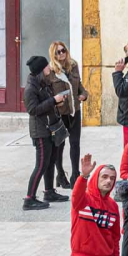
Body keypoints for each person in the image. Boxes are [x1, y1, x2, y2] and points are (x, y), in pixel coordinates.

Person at [67, 154, 121, 256]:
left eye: (112, 178)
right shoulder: (83, 200)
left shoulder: (112, 206)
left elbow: (115, 236)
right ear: (96, 178)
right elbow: (76, 195)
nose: (109, 181)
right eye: (104, 177)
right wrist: (83, 176)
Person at [23, 56, 68, 211]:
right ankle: (29, 199)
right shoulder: (30, 89)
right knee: (41, 165)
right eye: (47, 66)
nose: (49, 67)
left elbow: (46, 104)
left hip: (51, 128)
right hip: (40, 131)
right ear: (41, 69)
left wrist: (57, 101)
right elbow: (33, 110)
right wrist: (53, 101)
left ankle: (49, 192)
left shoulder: (43, 83)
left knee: (50, 161)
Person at [48, 41, 89, 188]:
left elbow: (80, 87)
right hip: (60, 114)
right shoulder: (51, 70)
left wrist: (84, 95)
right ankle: (60, 175)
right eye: (58, 52)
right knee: (60, 145)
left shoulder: (73, 65)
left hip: (74, 111)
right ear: (53, 54)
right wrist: (55, 102)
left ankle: (75, 174)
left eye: (63, 50)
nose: (61, 54)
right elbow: (48, 93)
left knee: (75, 143)